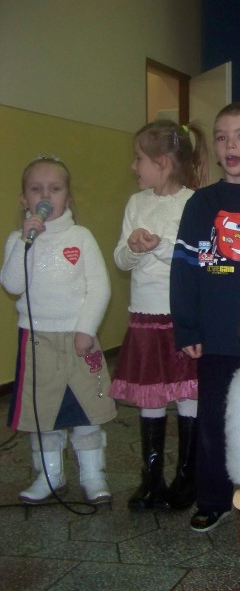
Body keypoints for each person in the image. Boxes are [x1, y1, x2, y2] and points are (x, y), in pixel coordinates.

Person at [170, 102, 240, 532]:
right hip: (216, 334)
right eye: (221, 136)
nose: (230, 144)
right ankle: (214, 496)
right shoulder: (202, 203)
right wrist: (187, 326)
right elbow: (184, 268)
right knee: (214, 418)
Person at [1, 156, 116, 505]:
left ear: (67, 196)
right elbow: (12, 284)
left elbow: (99, 287)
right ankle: (48, 474)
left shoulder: (80, 237)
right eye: (36, 190)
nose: (45, 195)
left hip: (78, 338)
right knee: (43, 412)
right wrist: (25, 241)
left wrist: (86, 329)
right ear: (24, 199)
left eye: (54, 188)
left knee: (86, 410)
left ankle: (93, 474)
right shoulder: (18, 240)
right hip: (37, 340)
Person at [110, 120, 208, 511]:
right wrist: (134, 247)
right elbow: (119, 257)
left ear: (163, 162)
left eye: (139, 159)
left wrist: (160, 245)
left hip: (180, 316)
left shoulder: (192, 203)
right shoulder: (137, 203)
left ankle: (187, 477)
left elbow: (199, 257)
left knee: (187, 394)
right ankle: (151, 478)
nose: (134, 167)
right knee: (151, 395)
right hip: (145, 317)